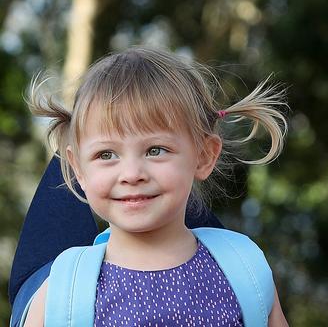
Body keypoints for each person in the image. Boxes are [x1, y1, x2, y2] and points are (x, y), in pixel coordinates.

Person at [13, 46, 289, 326]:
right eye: (106, 155)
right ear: (78, 169)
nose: (132, 174)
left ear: (204, 156)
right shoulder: (59, 297)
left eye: (156, 150)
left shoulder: (245, 271)